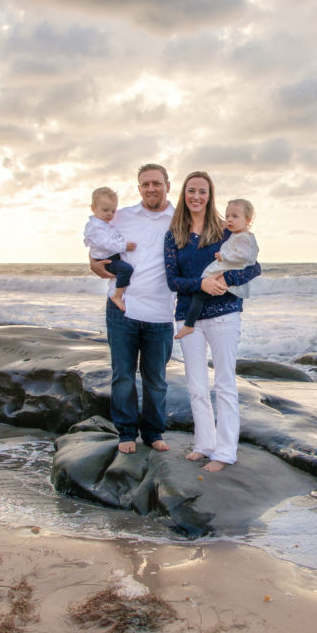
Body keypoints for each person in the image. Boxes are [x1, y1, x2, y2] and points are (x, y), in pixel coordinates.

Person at [164, 172, 261, 472]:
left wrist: (225, 279)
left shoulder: (226, 229)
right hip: (188, 317)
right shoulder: (174, 235)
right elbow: (172, 281)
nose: (196, 196)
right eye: (191, 191)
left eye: (202, 191)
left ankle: (225, 452)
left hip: (224, 314)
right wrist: (201, 284)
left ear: (210, 195)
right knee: (196, 385)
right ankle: (204, 444)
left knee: (224, 383)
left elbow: (254, 267)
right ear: (184, 194)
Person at [89, 164, 175, 454]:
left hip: (161, 313)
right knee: (122, 375)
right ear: (139, 188)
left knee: (156, 380)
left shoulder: (179, 220)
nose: (151, 188)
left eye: (156, 183)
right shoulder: (121, 216)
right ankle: (126, 433)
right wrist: (92, 263)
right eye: (145, 184)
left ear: (167, 186)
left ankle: (153, 432)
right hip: (122, 309)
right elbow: (96, 243)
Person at [174, 198, 258, 340]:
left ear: (248, 220)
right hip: (222, 272)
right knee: (200, 294)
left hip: (225, 276)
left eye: (235, 216)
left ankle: (189, 325)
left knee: (199, 295)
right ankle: (190, 324)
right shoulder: (236, 234)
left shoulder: (242, 238)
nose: (229, 220)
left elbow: (248, 260)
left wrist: (224, 258)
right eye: (227, 216)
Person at [83, 187, 136, 311]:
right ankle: (117, 296)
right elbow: (105, 243)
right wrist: (124, 246)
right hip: (106, 259)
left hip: (110, 256)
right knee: (126, 269)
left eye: (113, 211)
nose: (110, 214)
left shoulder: (104, 224)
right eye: (105, 210)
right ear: (93, 208)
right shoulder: (95, 227)